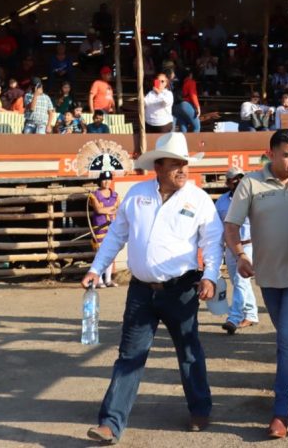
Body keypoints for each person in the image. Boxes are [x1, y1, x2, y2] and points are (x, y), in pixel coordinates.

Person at [83, 133, 221, 444]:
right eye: (175, 164)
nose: (182, 170)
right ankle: (110, 423)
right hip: (141, 290)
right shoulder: (136, 195)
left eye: (184, 164)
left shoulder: (198, 199)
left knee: (189, 351)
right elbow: (116, 235)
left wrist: (210, 276)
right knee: (129, 354)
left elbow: (212, 241)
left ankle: (200, 408)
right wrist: (95, 269)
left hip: (182, 289)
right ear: (158, 166)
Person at [224, 129, 288, 439]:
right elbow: (231, 225)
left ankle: (281, 410)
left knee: (286, 338)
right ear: (271, 154)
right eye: (287, 154)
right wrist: (240, 255)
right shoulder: (250, 183)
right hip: (267, 276)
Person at [215, 168, 258, 335]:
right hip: (230, 247)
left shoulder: (251, 198)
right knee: (239, 282)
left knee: (241, 281)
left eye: (241, 178)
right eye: (235, 178)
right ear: (228, 182)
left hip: (248, 245)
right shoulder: (221, 202)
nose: (239, 181)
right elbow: (218, 226)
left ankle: (234, 318)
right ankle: (251, 314)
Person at [88, 171, 120, 287]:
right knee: (100, 253)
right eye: (104, 180)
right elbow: (98, 210)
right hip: (100, 227)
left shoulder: (115, 195)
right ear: (100, 181)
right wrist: (111, 209)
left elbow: (118, 209)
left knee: (111, 253)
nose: (106, 182)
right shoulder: (94, 195)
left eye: (108, 179)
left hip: (112, 227)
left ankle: (108, 279)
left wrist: (108, 210)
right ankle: (99, 280)